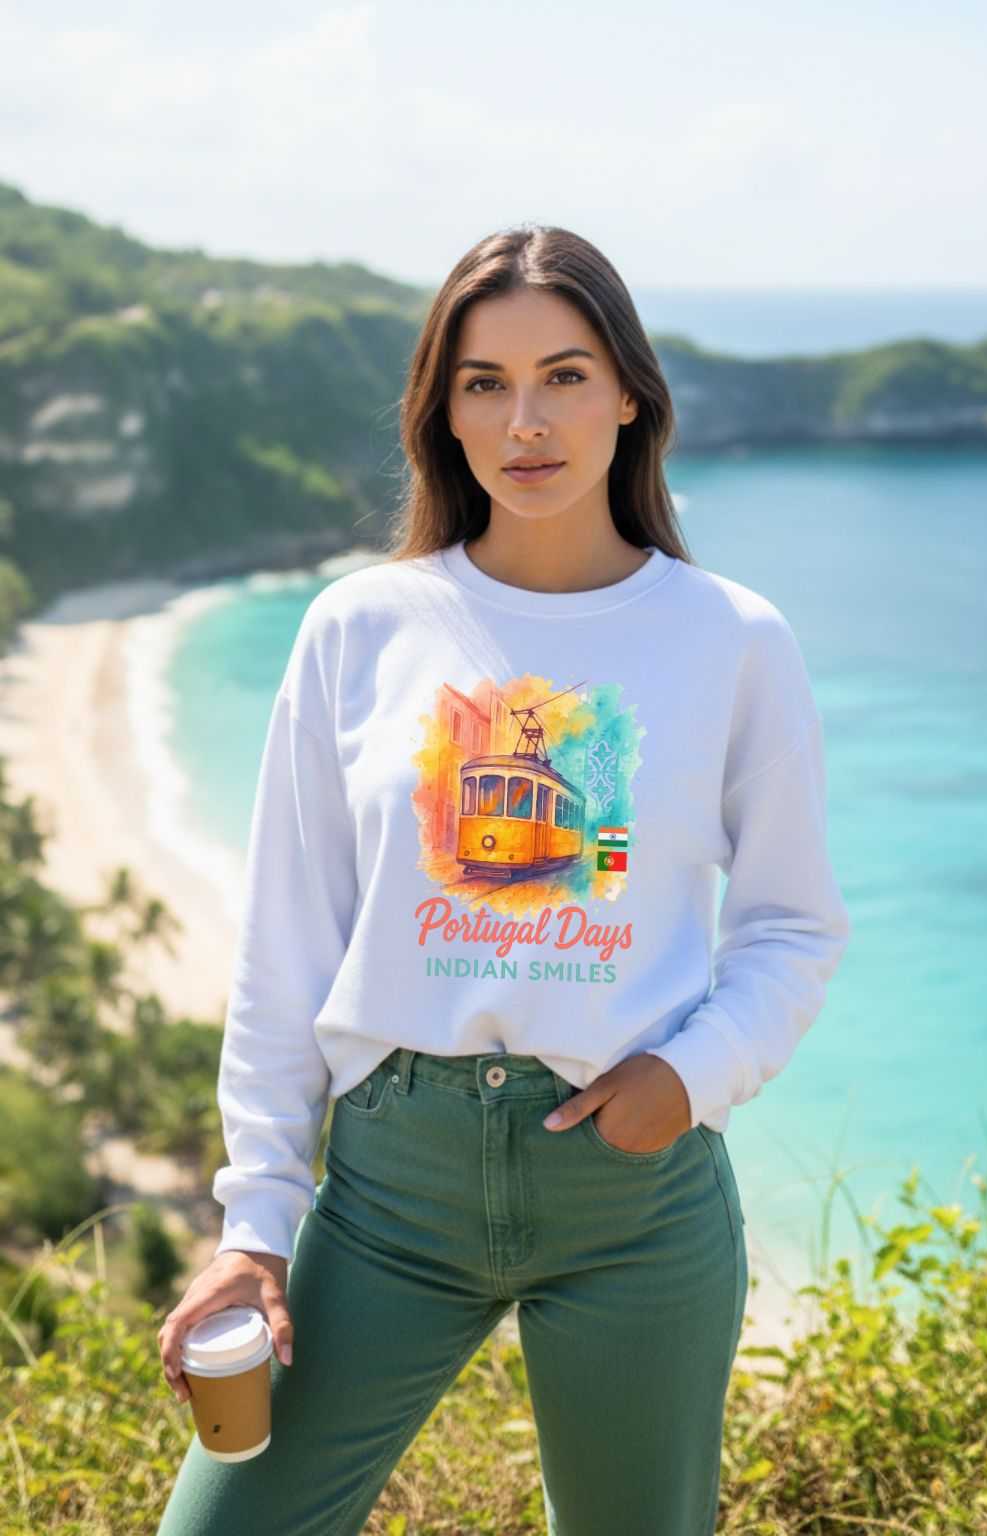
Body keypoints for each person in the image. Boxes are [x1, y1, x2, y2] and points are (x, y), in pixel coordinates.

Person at [156, 223, 851, 1536]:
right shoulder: (359, 628)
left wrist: (690, 1079)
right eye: (485, 382)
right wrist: (255, 1222)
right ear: (445, 412)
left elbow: (792, 926)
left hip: (634, 1184)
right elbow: (284, 947)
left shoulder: (732, 640)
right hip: (387, 1189)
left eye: (566, 375)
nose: (525, 419)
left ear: (631, 395)